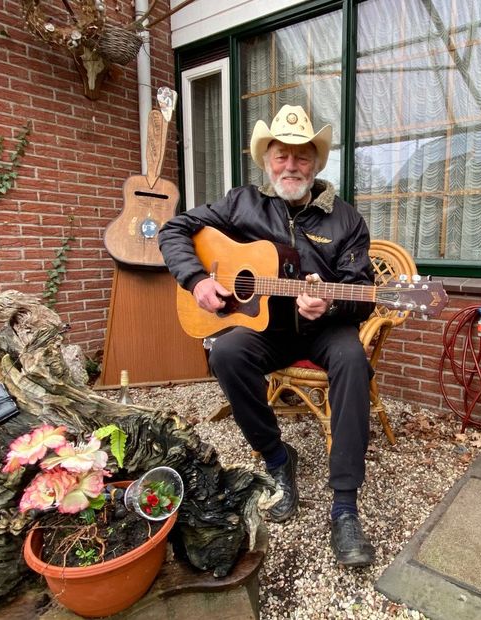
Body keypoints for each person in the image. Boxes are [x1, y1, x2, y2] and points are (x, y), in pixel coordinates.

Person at [158, 104, 377, 567]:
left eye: (301, 156)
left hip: (324, 330)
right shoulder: (241, 204)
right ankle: (278, 459)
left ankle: (344, 505)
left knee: (354, 359)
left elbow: (363, 294)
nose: (291, 166)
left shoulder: (346, 220)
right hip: (265, 329)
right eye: (281, 156)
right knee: (227, 352)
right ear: (267, 160)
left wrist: (331, 302)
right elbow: (175, 229)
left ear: (315, 163)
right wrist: (197, 279)